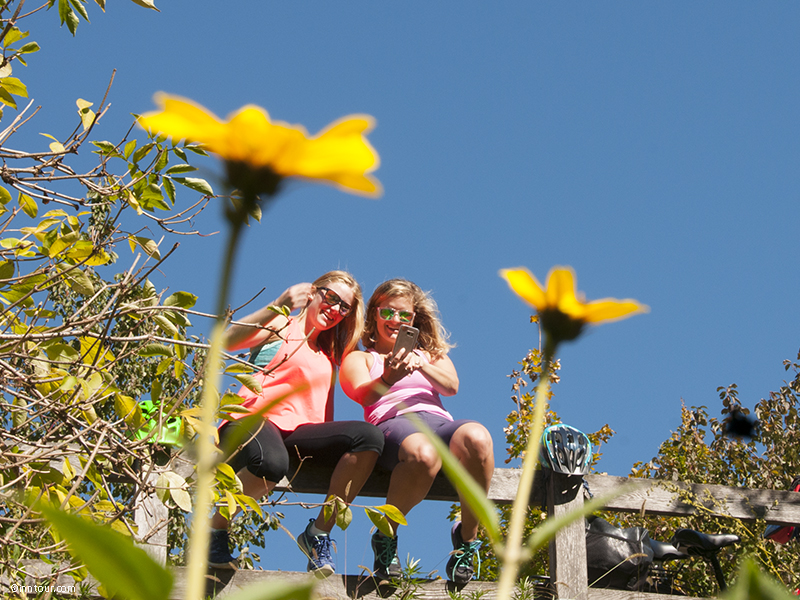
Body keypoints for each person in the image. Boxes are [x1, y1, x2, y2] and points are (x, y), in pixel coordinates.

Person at [209, 270, 384, 577]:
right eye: (330, 297)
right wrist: (278, 303)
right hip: (252, 419)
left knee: (369, 437)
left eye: (344, 307)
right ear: (312, 292)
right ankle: (214, 529)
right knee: (272, 465)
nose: (334, 309)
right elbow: (223, 340)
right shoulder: (282, 323)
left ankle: (317, 534)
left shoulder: (329, 355)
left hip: (299, 435)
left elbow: (345, 401)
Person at [339, 279, 494, 584]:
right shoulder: (361, 358)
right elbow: (362, 394)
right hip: (393, 423)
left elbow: (451, 387)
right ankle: (386, 534)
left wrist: (420, 363)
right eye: (388, 313)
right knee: (424, 453)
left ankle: (467, 538)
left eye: (404, 316)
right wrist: (389, 374)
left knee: (478, 438)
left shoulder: (429, 354)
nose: (395, 321)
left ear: (414, 320)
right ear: (374, 315)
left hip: (438, 421)